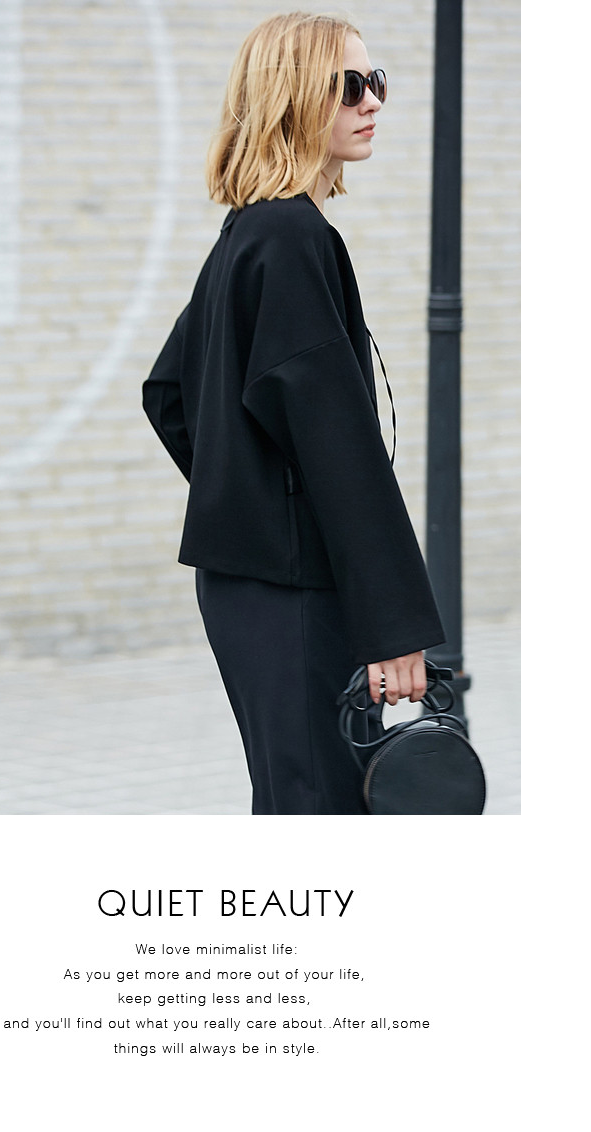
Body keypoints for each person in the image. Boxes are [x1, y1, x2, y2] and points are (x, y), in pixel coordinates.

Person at [142, 11, 445, 815]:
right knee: (316, 807)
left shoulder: (251, 232)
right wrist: (395, 626)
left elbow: (169, 393)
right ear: (292, 96)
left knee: (299, 797)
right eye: (350, 86)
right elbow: (337, 448)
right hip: (295, 593)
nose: (372, 101)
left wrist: (246, 500)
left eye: (376, 82)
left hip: (257, 587)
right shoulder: (289, 236)